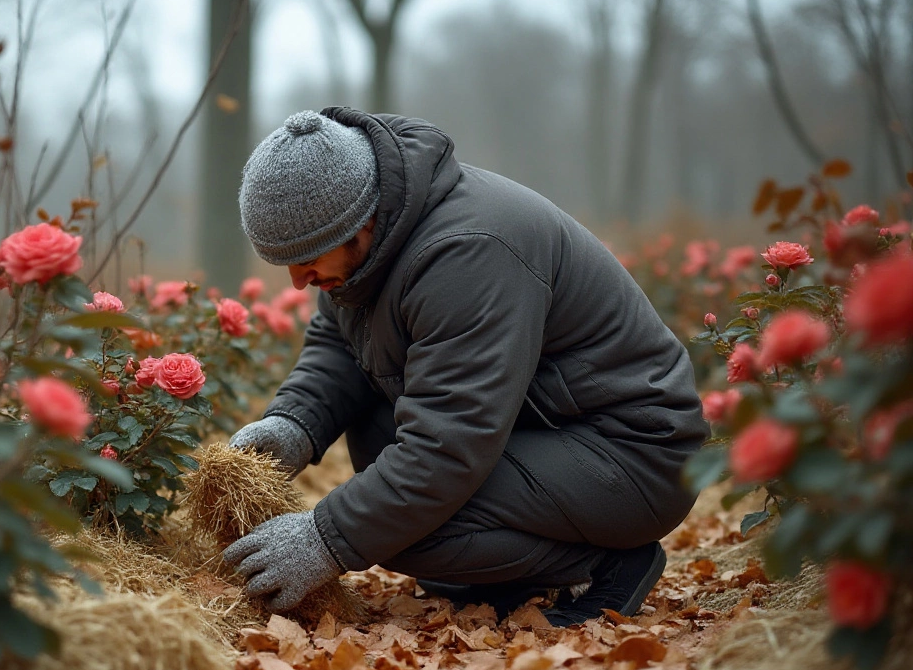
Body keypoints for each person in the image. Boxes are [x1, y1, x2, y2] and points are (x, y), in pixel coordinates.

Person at [219, 108, 708, 626]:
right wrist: (293, 423)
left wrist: (324, 538)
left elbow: (447, 446)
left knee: (410, 531)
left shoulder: (466, 253)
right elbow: (338, 346)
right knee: (382, 460)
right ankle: (508, 567)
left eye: (307, 258)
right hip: (551, 430)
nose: (298, 281)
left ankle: (607, 564)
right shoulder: (367, 250)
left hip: (636, 454)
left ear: (361, 221)